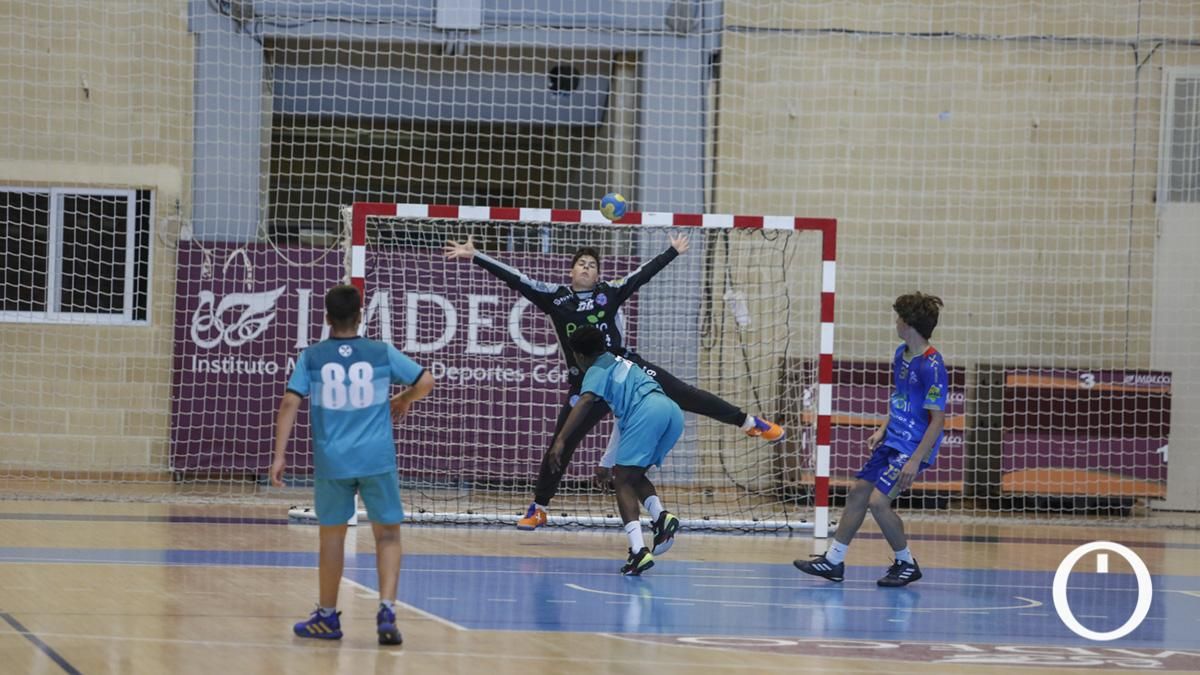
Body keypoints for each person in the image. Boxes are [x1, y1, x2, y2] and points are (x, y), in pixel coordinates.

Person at [443, 234, 785, 531]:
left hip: (625, 372)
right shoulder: (555, 299)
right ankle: (540, 508)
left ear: (597, 273)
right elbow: (518, 280)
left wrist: (670, 253)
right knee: (560, 445)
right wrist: (476, 256)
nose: (587, 267)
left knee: (683, 393)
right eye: (581, 263)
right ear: (572, 271)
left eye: (592, 264)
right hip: (588, 384)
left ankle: (749, 422)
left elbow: (640, 277)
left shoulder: (609, 294)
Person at [270, 284, 435, 645]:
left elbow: (288, 403)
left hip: (333, 462)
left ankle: (327, 616)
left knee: (332, 536)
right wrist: (404, 398)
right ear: (361, 316)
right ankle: (387, 608)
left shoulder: (312, 357)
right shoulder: (380, 351)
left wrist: (280, 455)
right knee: (388, 534)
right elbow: (426, 380)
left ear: (327, 319)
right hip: (376, 458)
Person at [794, 292, 947, 588]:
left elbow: (937, 420)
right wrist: (882, 428)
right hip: (893, 440)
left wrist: (916, 460)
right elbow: (901, 398)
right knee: (857, 493)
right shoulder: (901, 354)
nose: (896, 322)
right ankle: (834, 561)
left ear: (909, 324)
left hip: (913, 447)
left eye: (899, 318)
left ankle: (906, 562)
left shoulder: (932, 366)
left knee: (878, 503)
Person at [550, 326, 684, 575]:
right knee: (631, 475)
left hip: (646, 412)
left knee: (622, 480)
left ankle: (639, 551)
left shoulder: (596, 369)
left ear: (578, 355)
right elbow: (621, 423)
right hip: (670, 412)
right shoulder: (621, 362)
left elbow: (585, 401)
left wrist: (560, 439)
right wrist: (605, 462)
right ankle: (661, 517)